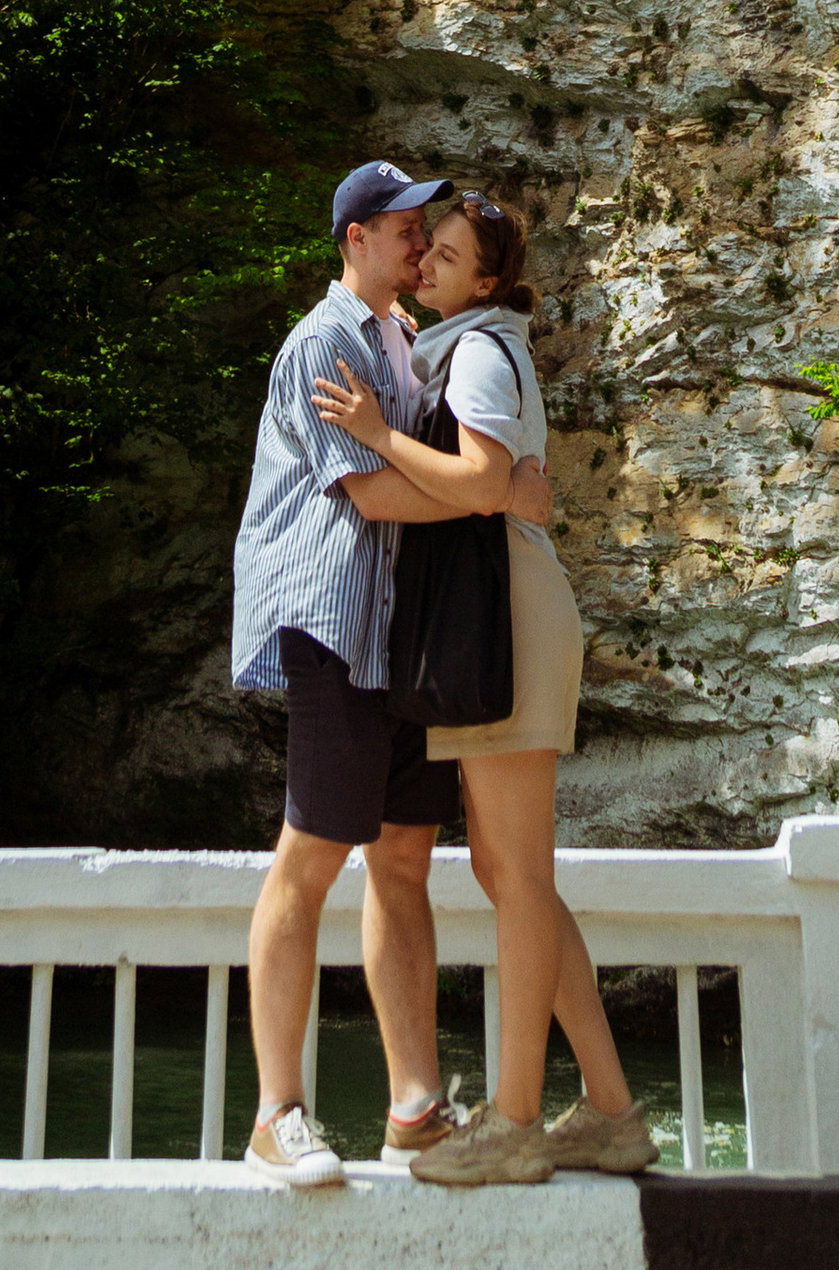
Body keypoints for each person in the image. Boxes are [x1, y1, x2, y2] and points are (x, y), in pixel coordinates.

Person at [311, 189, 656, 1188]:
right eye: (430, 250)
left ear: (488, 281)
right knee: (517, 878)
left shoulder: (478, 353)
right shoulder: (459, 344)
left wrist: (375, 431)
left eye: (448, 256)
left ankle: (511, 1120)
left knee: (518, 876)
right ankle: (606, 1108)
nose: (425, 264)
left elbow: (474, 481)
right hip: (493, 608)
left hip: (504, 613)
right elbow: (492, 483)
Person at [225, 159, 554, 1189]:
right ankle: (277, 1111)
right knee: (310, 854)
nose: (420, 242)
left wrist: (493, 481)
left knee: (403, 859)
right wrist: (494, 492)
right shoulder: (323, 343)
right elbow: (369, 495)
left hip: (402, 639)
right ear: (355, 237)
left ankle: (414, 1108)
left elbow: (447, 465)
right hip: (331, 630)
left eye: (429, 229)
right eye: (406, 226)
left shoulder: (409, 343)